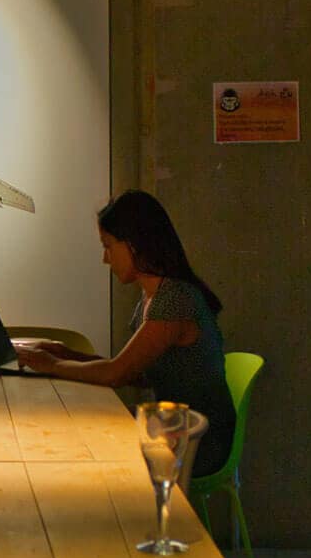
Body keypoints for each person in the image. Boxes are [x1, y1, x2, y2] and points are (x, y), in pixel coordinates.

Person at [15, 190, 235, 480]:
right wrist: (63, 353)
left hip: (196, 438)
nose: (106, 259)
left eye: (108, 246)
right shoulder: (152, 296)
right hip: (171, 424)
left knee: (81, 441)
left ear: (134, 245)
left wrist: (50, 365)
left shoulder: (174, 299)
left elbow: (117, 374)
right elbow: (133, 370)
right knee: (79, 432)